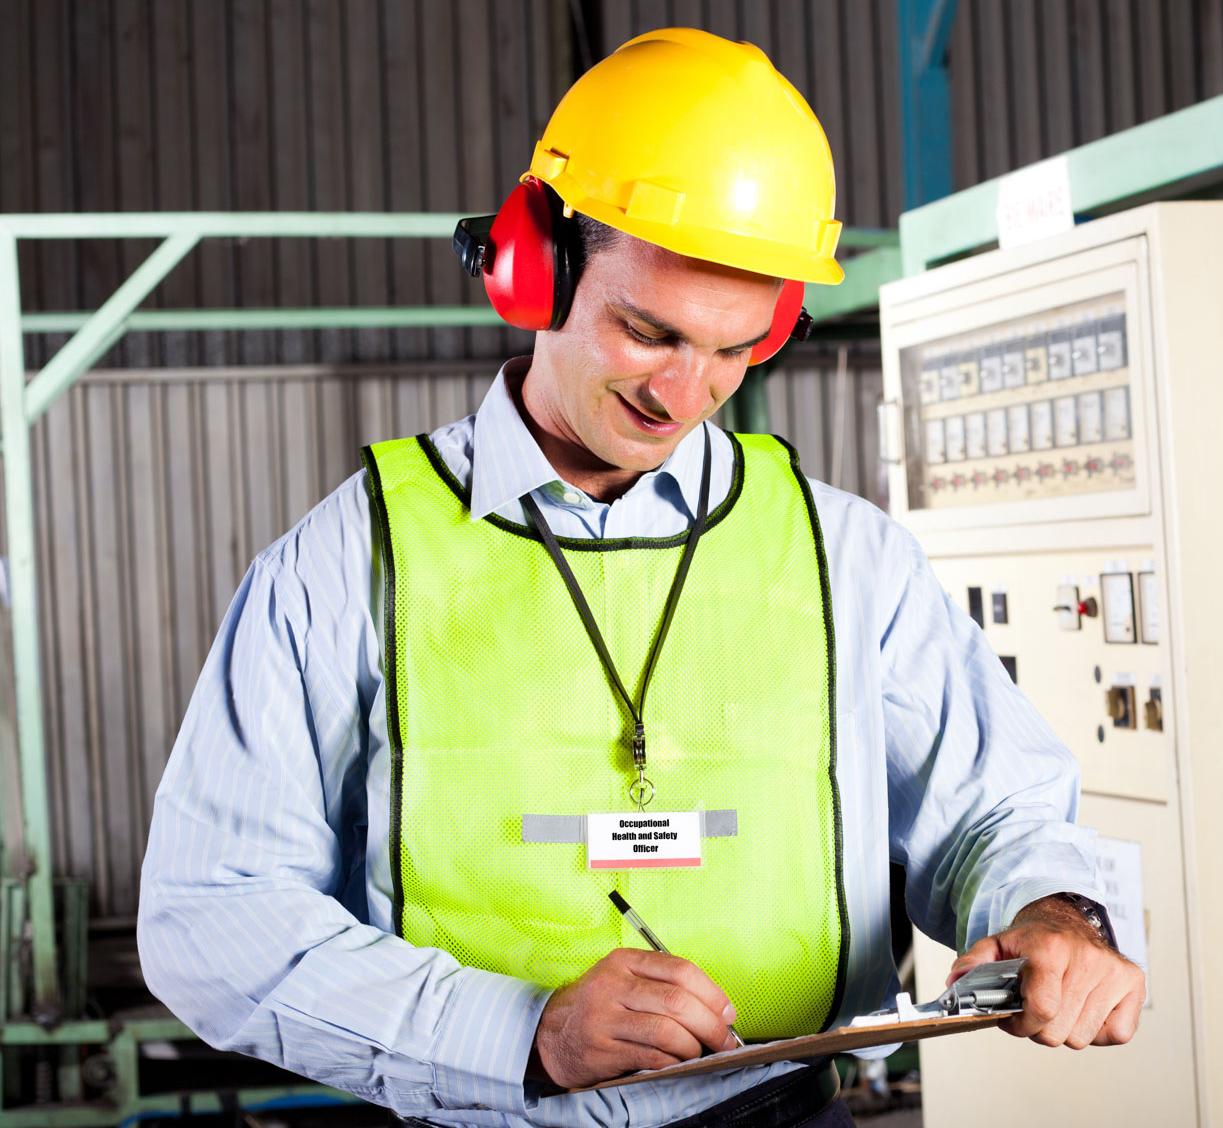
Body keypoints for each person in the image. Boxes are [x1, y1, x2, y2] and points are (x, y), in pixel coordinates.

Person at [136, 27, 1143, 1128]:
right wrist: (518, 1031)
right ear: (536, 267)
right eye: (648, 332)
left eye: (734, 348)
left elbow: (990, 806)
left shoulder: (849, 560)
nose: (687, 391)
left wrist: (1055, 912)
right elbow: (210, 917)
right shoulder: (344, 566)